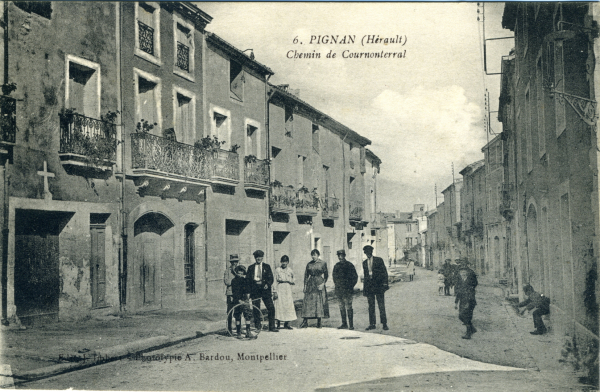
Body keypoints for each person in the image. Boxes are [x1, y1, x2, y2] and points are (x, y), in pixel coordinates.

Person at [246, 250, 278, 332]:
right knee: (256, 309)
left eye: (260, 257)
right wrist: (248, 292)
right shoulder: (251, 268)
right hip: (255, 290)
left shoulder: (267, 266)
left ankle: (272, 327)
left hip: (265, 290)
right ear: (255, 258)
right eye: (257, 257)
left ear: (262, 257)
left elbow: (271, 278)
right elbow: (248, 281)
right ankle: (258, 327)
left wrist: (268, 284)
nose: (258, 258)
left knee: (271, 308)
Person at [299, 249, 330, 328]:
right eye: (312, 255)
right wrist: (305, 286)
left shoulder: (323, 263)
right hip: (310, 284)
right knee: (307, 302)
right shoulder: (309, 264)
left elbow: (326, 275)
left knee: (318, 302)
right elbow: (306, 275)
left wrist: (323, 284)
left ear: (318, 255)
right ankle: (305, 321)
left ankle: (319, 322)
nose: (313, 257)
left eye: (315, 255)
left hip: (319, 283)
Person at [362, 245, 389, 331]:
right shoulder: (364, 263)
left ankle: (384, 324)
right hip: (369, 288)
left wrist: (385, 284)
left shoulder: (379, 260)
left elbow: (384, 272)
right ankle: (372, 324)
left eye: (369, 252)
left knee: (381, 305)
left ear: (372, 252)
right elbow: (366, 277)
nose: (368, 254)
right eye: (366, 253)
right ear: (365, 253)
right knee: (371, 306)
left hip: (379, 287)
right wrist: (365, 289)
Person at [332, 249, 358, 330]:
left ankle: (351, 325)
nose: (340, 257)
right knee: (341, 307)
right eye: (339, 256)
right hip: (339, 291)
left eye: (342, 255)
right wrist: (337, 286)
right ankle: (344, 324)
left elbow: (355, 277)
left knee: (349, 307)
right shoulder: (336, 266)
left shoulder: (350, 265)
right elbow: (334, 277)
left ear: (344, 256)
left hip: (347, 290)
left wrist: (350, 286)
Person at [231, 265, 256, 339]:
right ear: (236, 273)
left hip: (245, 300)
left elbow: (248, 290)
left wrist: (247, 299)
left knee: (247, 315)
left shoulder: (245, 280)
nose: (240, 275)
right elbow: (234, 292)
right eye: (239, 273)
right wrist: (239, 300)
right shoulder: (234, 281)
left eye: (242, 273)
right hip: (237, 300)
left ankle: (248, 332)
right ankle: (238, 332)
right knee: (238, 316)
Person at [454, 263, 478, 339]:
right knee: (461, 316)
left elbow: (471, 292)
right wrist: (456, 302)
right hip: (462, 301)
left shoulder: (470, 281)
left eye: (464, 272)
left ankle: (468, 333)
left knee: (466, 317)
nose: (463, 273)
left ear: (467, 273)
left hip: (469, 301)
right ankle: (472, 329)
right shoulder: (460, 281)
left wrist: (468, 303)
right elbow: (459, 292)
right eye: (461, 272)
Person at [274, 255, 296, 330]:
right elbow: (274, 281)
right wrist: (274, 291)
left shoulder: (290, 270)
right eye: (283, 261)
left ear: (288, 262)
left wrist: (291, 281)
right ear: (281, 262)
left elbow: (294, 280)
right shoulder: (277, 270)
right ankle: (278, 323)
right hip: (280, 288)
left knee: (288, 305)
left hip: (288, 289)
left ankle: (287, 324)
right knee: (279, 305)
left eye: (285, 262)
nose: (284, 263)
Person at [223, 254, 239, 334]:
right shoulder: (227, 271)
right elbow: (226, 282)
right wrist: (235, 281)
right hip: (230, 293)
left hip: (238, 294)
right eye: (233, 262)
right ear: (231, 262)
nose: (234, 263)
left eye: (236, 262)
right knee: (229, 311)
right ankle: (229, 329)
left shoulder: (240, 270)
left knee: (238, 312)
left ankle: (238, 328)